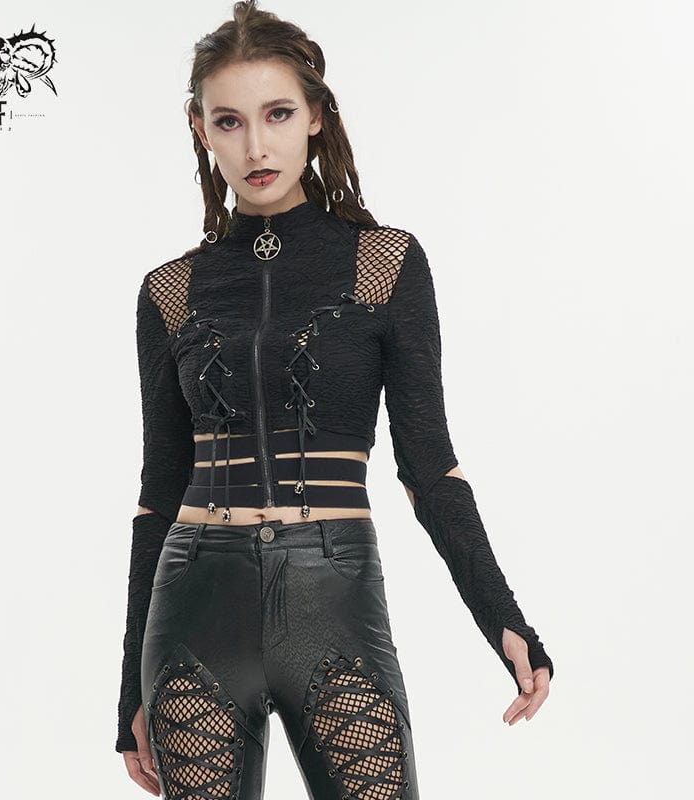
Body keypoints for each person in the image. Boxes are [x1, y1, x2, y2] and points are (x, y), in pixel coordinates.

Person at [116, 2, 554, 797]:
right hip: (193, 616)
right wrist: (127, 696)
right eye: (229, 121)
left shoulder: (383, 264)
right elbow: (159, 494)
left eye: (278, 113)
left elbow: (430, 468)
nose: (256, 146)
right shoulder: (170, 291)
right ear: (200, 129)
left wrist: (504, 617)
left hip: (335, 606)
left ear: (316, 114)